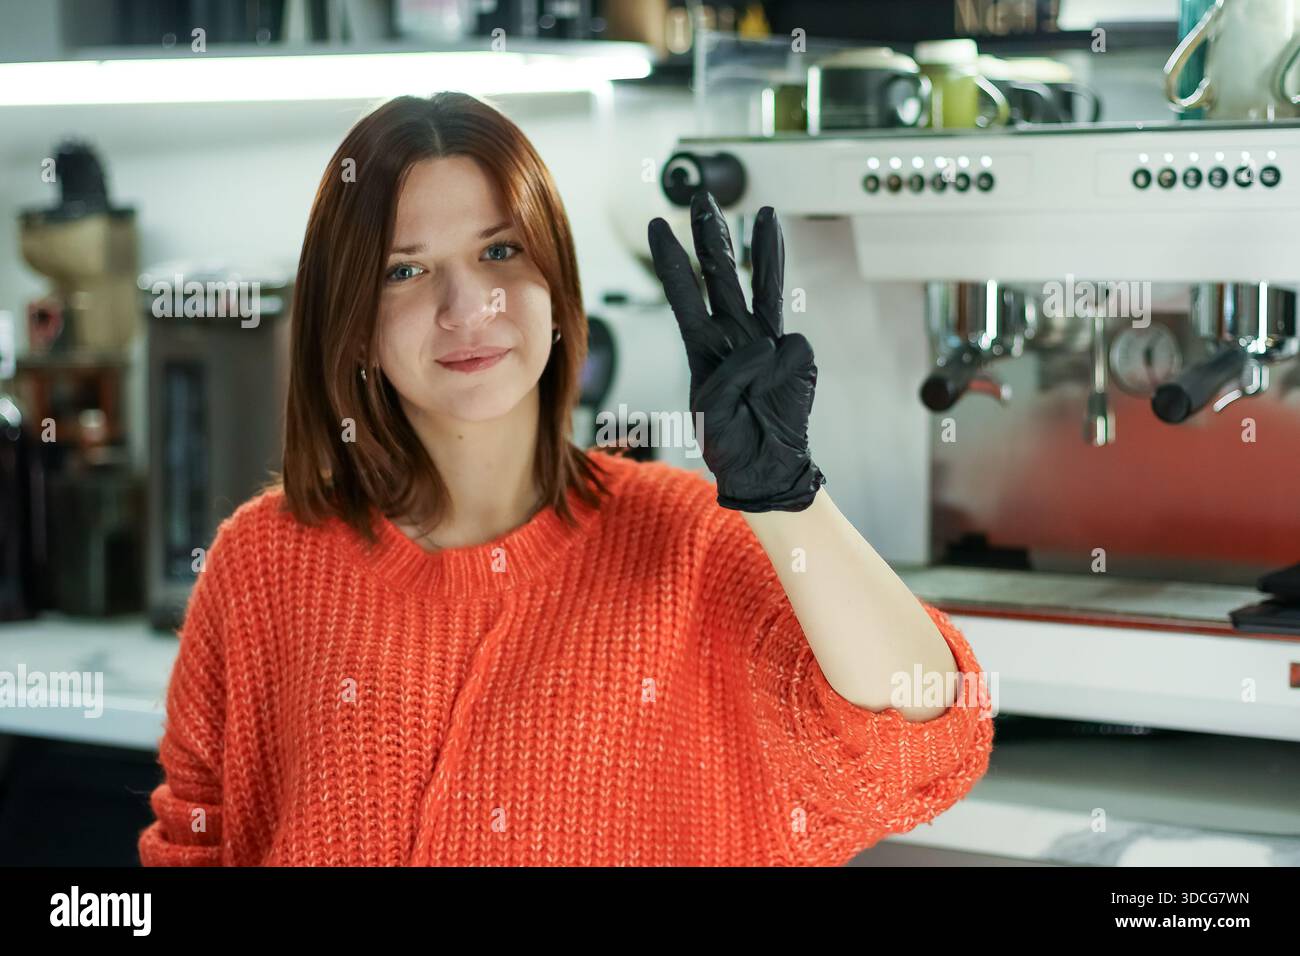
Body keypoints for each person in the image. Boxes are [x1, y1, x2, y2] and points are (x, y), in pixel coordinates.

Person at [137, 91, 993, 867]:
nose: (467, 307)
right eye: (406, 269)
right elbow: (194, 847)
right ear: (351, 323)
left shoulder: (688, 543)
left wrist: (788, 497)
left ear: (557, 288)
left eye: (500, 251)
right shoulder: (263, 563)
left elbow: (924, 734)